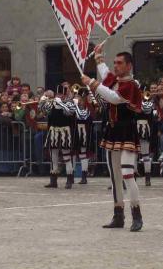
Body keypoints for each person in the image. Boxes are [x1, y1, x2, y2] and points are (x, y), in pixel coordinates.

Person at [81, 47, 144, 232]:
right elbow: (106, 75)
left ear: (129, 65)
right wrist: (99, 56)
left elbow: (114, 98)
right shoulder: (115, 80)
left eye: (120, 63)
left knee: (127, 174)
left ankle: (136, 214)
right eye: (115, 63)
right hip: (113, 131)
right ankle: (118, 214)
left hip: (127, 131)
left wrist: (92, 83)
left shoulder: (131, 85)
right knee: (115, 176)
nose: (116, 66)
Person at [39, 88, 77, 189]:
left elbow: (70, 112)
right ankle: (53, 181)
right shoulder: (52, 103)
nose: (59, 96)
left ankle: (69, 180)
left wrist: (60, 104)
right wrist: (42, 100)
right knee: (53, 157)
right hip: (53, 130)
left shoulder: (70, 103)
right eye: (58, 94)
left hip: (65, 131)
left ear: (64, 95)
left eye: (61, 94)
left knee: (66, 156)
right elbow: (43, 111)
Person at [137, 89, 155, 186]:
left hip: (144, 128)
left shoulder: (148, 103)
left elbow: (146, 110)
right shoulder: (135, 101)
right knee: (134, 154)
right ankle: (133, 175)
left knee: (145, 155)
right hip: (135, 127)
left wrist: (141, 99)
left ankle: (147, 178)